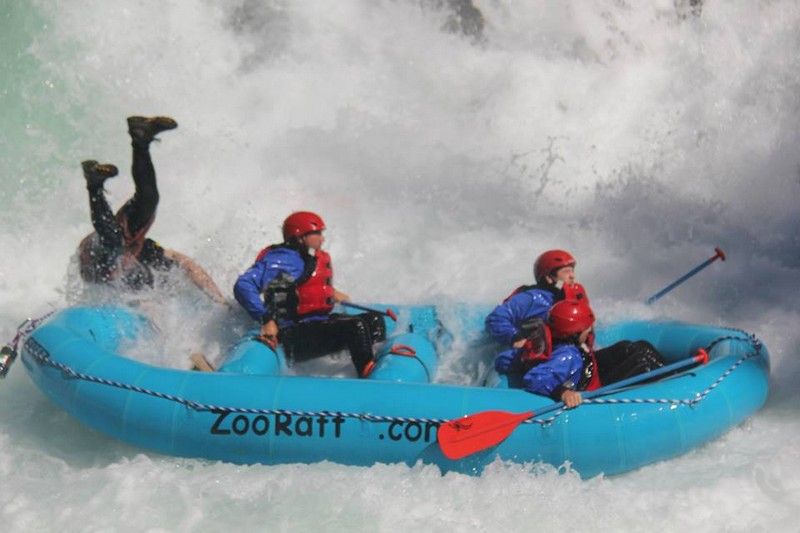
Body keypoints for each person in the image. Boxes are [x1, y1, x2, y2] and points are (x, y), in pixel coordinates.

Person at [77, 116, 227, 305]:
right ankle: (95, 187)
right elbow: (183, 262)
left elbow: (186, 265)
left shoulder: (147, 264)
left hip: (111, 246)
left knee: (148, 200)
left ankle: (141, 140)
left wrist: (219, 301)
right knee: (116, 238)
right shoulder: (138, 254)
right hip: (97, 248)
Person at [233, 211, 385, 377]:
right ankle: (369, 380)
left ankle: (375, 369)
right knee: (355, 326)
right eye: (317, 234)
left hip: (313, 325)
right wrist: (266, 319)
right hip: (291, 334)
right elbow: (243, 285)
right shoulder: (282, 259)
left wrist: (331, 292)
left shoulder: (302, 257)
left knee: (374, 319)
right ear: (300, 237)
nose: (322, 239)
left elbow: (291, 285)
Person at [494, 299, 666, 408]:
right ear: (574, 332)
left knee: (631, 347)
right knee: (647, 366)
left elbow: (503, 360)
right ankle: (680, 384)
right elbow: (535, 379)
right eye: (587, 328)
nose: (590, 330)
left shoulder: (551, 340)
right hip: (594, 391)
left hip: (587, 372)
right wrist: (563, 393)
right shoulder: (568, 355)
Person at [485, 249, 588, 352]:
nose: (572, 276)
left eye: (572, 271)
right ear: (548, 277)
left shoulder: (568, 297)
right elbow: (495, 318)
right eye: (566, 272)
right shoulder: (531, 298)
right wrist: (515, 337)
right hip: (530, 353)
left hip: (561, 351)